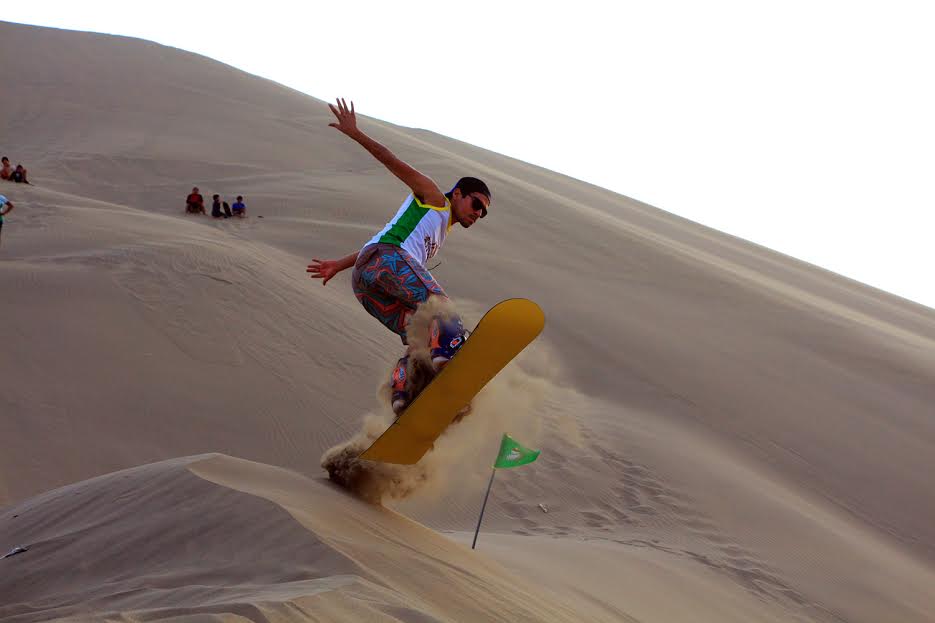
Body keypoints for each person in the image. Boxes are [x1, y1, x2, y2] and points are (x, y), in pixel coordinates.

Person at [307, 99, 490, 414]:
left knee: (419, 340)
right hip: (386, 261)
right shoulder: (434, 198)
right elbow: (390, 159)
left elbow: (376, 246)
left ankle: (403, 397)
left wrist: (338, 264)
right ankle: (448, 375)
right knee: (443, 310)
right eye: (477, 205)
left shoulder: (439, 229)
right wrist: (355, 133)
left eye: (483, 214)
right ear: (458, 193)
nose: (478, 214)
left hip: (366, 280)